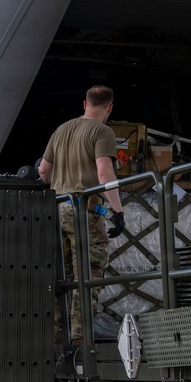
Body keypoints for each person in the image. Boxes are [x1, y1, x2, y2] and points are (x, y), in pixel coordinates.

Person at [38, 85, 125, 346]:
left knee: (61, 277)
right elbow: (103, 172)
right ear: (110, 107)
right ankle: (79, 338)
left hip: (58, 208)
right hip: (84, 210)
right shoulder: (103, 131)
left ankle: (55, 337)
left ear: (83, 103)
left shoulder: (61, 130)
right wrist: (118, 212)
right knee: (88, 273)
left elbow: (43, 171)